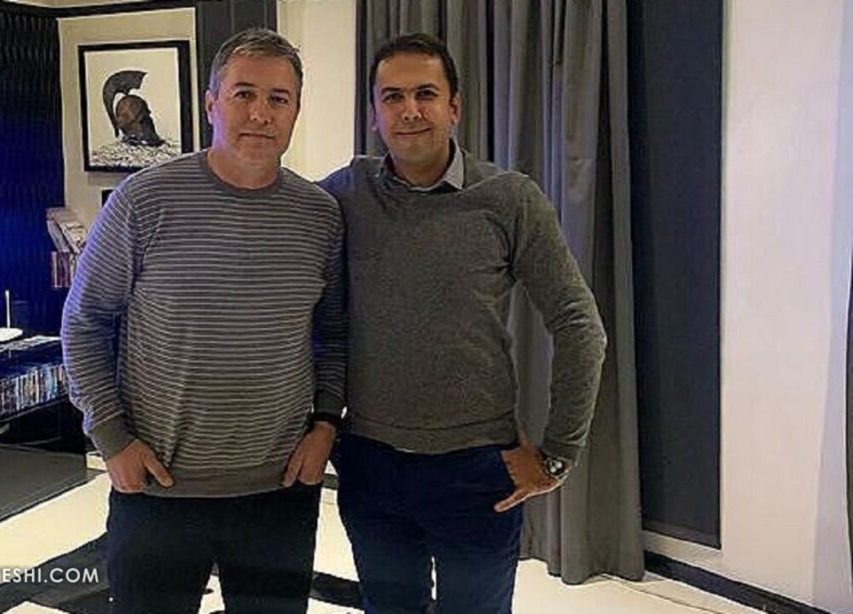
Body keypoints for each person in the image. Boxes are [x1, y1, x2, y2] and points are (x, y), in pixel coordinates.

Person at [319, 33, 607, 613]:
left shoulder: (508, 199)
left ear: (454, 107)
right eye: (392, 97)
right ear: (374, 115)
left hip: (477, 469)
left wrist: (557, 454)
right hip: (371, 463)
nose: (410, 110)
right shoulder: (347, 192)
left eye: (425, 94)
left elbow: (580, 325)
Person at [62, 28, 345, 614]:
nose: (261, 113)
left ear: (295, 111)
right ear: (212, 104)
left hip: (279, 492)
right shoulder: (143, 202)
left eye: (279, 99)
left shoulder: (319, 215)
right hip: (157, 487)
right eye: (244, 94)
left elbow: (335, 335)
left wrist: (324, 426)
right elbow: (84, 322)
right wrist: (111, 438)